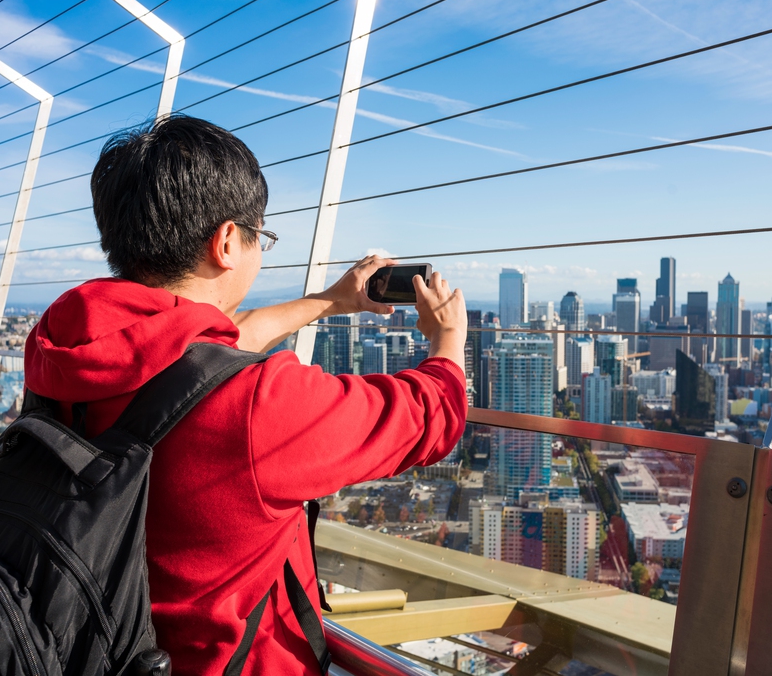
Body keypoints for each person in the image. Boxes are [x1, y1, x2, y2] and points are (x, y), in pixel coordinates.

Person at [23, 115, 468, 675]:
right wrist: (449, 338)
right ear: (228, 240)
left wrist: (331, 301)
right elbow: (428, 417)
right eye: (263, 235)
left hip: (72, 646)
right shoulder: (258, 404)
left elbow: (198, 350)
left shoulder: (58, 347)